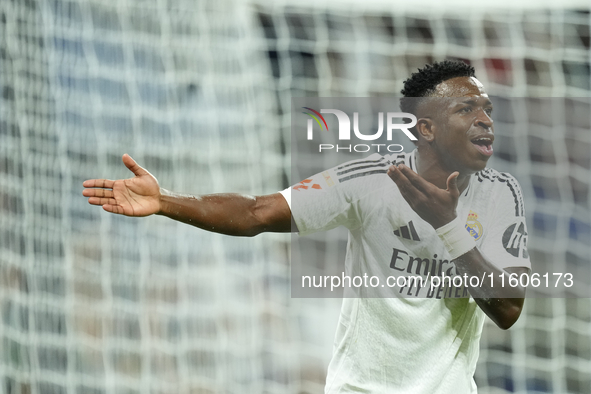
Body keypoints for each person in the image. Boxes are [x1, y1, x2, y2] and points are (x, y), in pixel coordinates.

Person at [83, 60, 530, 393]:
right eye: (466, 109)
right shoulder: (370, 182)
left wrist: (448, 226)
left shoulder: (501, 196)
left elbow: (508, 310)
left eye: (486, 109)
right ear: (427, 128)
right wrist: (165, 201)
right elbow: (258, 213)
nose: (485, 119)